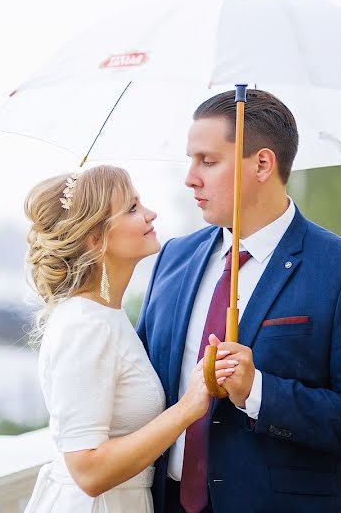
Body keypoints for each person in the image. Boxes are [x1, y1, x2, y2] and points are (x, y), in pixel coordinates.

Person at [137, 89, 341, 513]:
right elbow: (143, 381)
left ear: (262, 163)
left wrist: (257, 390)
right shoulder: (174, 258)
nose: (190, 177)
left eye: (208, 161)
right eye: (191, 159)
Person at [23, 165, 236, 512]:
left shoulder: (107, 316)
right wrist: (187, 408)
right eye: (133, 208)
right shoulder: (84, 326)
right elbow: (88, 471)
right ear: (96, 239)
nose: (150, 214)